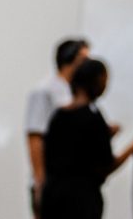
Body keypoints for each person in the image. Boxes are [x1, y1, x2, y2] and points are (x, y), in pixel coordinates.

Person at [41, 58, 133, 219]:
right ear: (96, 81)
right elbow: (105, 166)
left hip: (52, 199)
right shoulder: (93, 118)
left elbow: (70, 149)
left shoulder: (59, 116)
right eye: (104, 80)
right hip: (81, 203)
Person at [25, 37, 90, 218]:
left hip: (71, 185)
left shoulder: (75, 91)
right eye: (84, 60)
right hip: (51, 183)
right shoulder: (44, 90)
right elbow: (35, 136)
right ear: (69, 59)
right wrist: (40, 182)